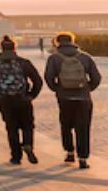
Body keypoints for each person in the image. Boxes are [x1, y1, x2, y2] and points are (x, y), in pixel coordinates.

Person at [44, 32, 103, 168]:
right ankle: (83, 158)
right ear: (73, 41)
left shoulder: (54, 58)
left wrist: (58, 89)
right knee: (83, 128)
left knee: (66, 125)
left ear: (57, 42)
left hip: (64, 98)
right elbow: (96, 77)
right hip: (83, 98)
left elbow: (48, 77)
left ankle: (70, 152)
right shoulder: (85, 57)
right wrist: (87, 89)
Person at [0, 36, 44, 165]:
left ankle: (16, 157)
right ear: (14, 47)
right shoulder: (24, 63)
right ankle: (28, 144)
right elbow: (37, 81)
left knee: (11, 128)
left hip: (5, 101)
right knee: (28, 125)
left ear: (1, 48)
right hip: (23, 99)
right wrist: (31, 95)